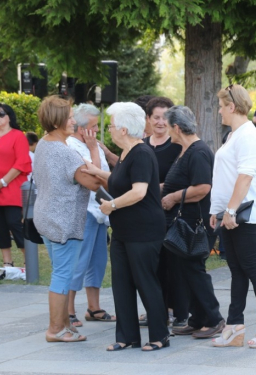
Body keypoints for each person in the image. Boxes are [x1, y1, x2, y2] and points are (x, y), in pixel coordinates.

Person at [82, 102, 170, 351]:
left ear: (123, 129)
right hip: (123, 231)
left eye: (110, 126)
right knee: (121, 284)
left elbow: (139, 191)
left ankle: (159, 336)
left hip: (143, 231)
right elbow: (121, 180)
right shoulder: (125, 153)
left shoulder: (141, 153)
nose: (108, 129)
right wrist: (97, 171)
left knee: (146, 282)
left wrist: (112, 206)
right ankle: (127, 337)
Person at [210, 84, 256, 348]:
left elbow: (245, 176)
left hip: (244, 215)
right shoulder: (233, 135)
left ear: (231, 106)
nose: (218, 111)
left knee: (251, 268)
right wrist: (217, 210)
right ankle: (234, 325)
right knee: (237, 270)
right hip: (230, 214)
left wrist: (230, 211)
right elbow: (224, 178)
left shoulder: (248, 134)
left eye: (220, 106)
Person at [34, 96, 101, 342]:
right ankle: (56, 329)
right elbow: (94, 182)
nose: (74, 121)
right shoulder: (65, 153)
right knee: (62, 275)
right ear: (58, 120)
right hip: (63, 221)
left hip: (46, 217)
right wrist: (94, 150)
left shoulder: (43, 143)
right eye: (70, 117)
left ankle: (63, 325)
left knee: (58, 272)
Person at [162, 105, 224, 339]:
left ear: (177, 128)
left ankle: (214, 319)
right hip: (184, 223)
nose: (167, 132)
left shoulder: (198, 152)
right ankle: (198, 318)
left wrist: (173, 197)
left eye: (169, 127)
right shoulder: (185, 151)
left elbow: (202, 188)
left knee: (194, 270)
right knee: (185, 271)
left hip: (195, 223)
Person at [66, 104, 115, 327]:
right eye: (93, 127)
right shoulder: (71, 146)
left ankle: (94, 307)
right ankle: (68, 310)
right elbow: (94, 178)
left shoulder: (91, 143)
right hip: (82, 211)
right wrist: (95, 150)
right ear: (80, 128)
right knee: (79, 261)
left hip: (99, 211)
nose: (96, 131)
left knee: (97, 260)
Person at [141, 96, 183, 329]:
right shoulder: (141, 146)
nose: (160, 122)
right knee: (150, 265)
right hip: (145, 215)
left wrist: (148, 189)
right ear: (148, 119)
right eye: (155, 117)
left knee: (171, 265)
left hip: (170, 214)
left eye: (165, 117)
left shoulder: (177, 147)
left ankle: (174, 309)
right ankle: (154, 309)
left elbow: (177, 181)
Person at [0, 104, 31, 268]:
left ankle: (29, 260)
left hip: (12, 186)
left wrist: (3, 181)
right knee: (0, 226)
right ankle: (7, 263)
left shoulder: (18, 136)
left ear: (9, 117)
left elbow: (21, 163)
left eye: (1, 113)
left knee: (14, 222)